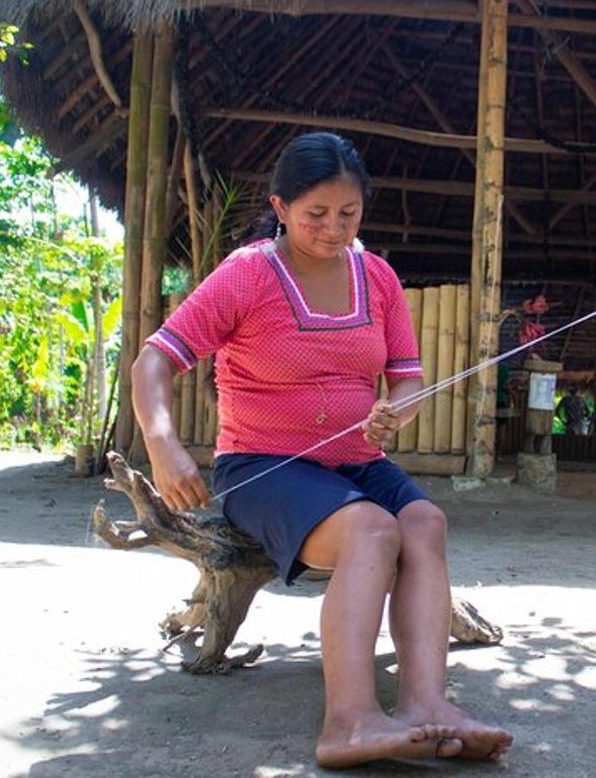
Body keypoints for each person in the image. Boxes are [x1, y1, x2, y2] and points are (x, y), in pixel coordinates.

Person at [131, 132, 512, 767]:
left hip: (356, 462)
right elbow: (153, 361)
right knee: (371, 532)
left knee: (423, 522)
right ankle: (349, 722)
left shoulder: (379, 277)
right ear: (280, 207)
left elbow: (409, 377)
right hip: (261, 468)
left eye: (349, 213)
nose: (333, 229)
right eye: (315, 215)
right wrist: (163, 445)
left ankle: (426, 705)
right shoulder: (248, 274)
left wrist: (401, 409)